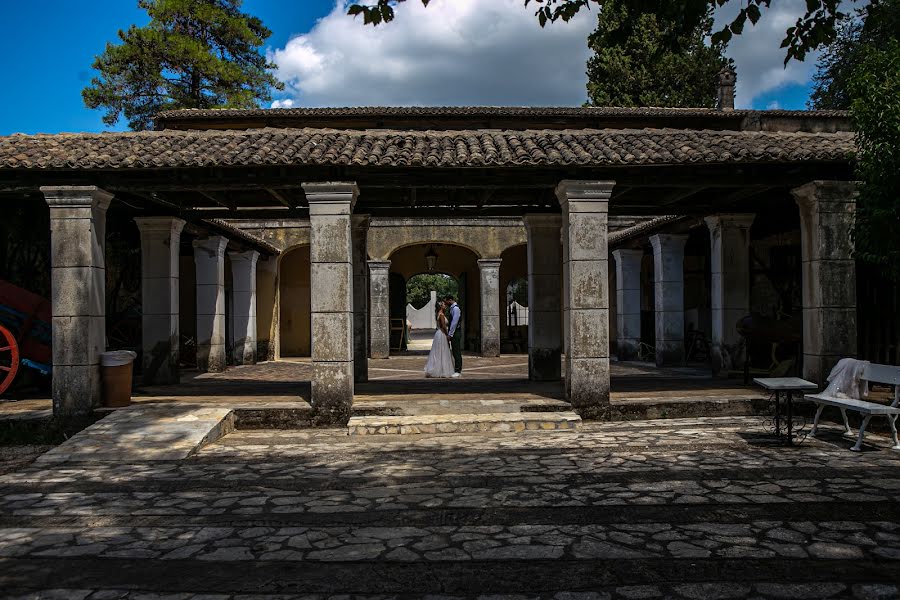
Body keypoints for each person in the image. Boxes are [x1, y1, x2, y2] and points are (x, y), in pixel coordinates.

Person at [424, 300, 455, 378]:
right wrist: (448, 335)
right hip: (442, 334)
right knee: (443, 351)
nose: (445, 306)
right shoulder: (441, 315)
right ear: (441, 306)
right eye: (444, 305)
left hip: (438, 334)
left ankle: (440, 368)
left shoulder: (439, 314)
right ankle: (442, 370)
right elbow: (444, 326)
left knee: (438, 352)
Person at [444, 294, 463, 377]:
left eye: (446, 301)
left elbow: (454, 323)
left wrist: (450, 334)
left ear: (450, 300)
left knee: (456, 352)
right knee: (455, 351)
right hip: (454, 332)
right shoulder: (452, 308)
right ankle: (456, 369)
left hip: (455, 332)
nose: (446, 303)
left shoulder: (456, 309)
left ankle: (458, 370)